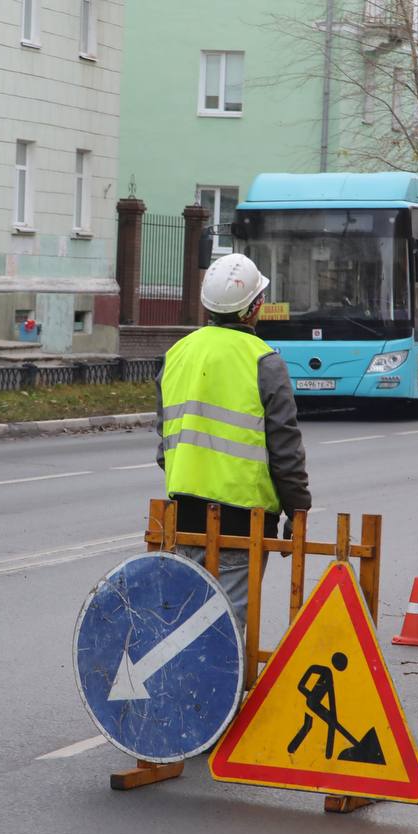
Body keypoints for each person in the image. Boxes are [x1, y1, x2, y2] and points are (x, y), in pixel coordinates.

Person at [155, 253, 312, 627]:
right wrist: (298, 508)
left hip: (185, 514)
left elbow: (166, 447)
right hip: (245, 520)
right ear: (255, 306)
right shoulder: (264, 362)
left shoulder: (176, 355)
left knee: (182, 623)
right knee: (225, 628)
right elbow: (285, 450)